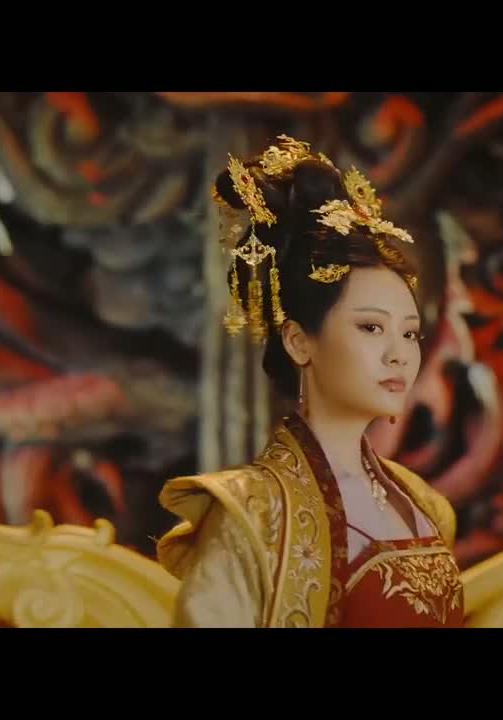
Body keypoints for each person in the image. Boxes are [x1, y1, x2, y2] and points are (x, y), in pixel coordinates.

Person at [155, 136, 463, 628]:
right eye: (371, 327)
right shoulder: (251, 515)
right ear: (299, 342)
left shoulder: (423, 503)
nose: (398, 354)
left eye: (409, 333)